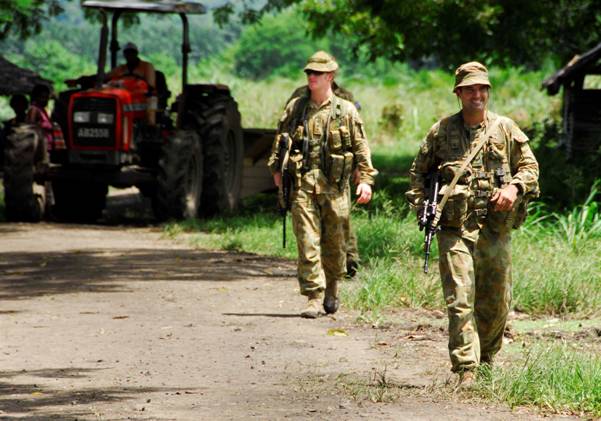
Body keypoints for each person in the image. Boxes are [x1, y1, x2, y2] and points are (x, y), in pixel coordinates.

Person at [405, 62, 539, 387]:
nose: (476, 95)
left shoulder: (505, 129)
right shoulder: (441, 132)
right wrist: (424, 207)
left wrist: (514, 188)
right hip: (455, 229)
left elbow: (530, 168)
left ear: (488, 92)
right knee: (460, 297)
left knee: (495, 303)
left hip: (495, 228)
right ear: (459, 94)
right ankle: (466, 368)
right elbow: (417, 175)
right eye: (469, 89)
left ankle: (488, 359)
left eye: (482, 89)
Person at [268, 51, 378, 318]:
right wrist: (277, 173)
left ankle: (332, 289)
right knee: (307, 242)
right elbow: (280, 142)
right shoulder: (296, 108)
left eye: (317, 73)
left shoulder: (346, 110)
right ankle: (313, 297)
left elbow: (361, 148)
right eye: (308, 73)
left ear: (330, 76)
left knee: (335, 244)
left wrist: (365, 180)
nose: (311, 77)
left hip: (335, 187)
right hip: (303, 186)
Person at [284, 83, 362, 279]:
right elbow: (289, 128)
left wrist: (360, 170)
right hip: (308, 173)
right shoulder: (300, 97)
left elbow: (355, 136)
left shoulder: (344, 97)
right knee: (309, 229)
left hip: (337, 175)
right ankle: (317, 272)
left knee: (341, 221)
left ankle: (349, 259)